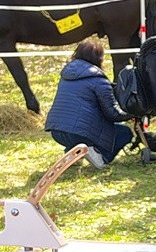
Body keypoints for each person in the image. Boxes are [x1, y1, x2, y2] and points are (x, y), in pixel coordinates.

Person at [43, 40, 131, 169]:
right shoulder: (99, 80)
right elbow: (113, 114)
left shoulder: (66, 76)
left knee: (78, 126)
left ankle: (72, 153)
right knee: (124, 132)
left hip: (57, 131)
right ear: (99, 58)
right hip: (78, 134)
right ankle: (100, 157)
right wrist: (131, 114)